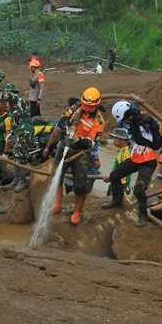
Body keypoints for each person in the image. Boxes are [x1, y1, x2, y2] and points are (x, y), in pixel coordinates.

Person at [104, 98, 162, 226]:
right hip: (136, 157)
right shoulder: (133, 121)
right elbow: (132, 110)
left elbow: (135, 111)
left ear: (129, 115)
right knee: (115, 175)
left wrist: (135, 102)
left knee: (138, 189)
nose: (124, 122)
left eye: (124, 119)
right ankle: (117, 201)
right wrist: (133, 102)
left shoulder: (143, 120)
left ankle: (143, 215)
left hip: (148, 161)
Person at [53, 87, 104, 225]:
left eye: (90, 108)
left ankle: (77, 212)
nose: (87, 110)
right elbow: (63, 119)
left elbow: (92, 143)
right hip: (65, 145)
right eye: (85, 106)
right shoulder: (74, 109)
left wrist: (78, 140)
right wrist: (70, 117)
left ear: (96, 105)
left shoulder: (98, 122)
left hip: (81, 153)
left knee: (80, 183)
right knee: (56, 174)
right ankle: (57, 203)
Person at [107, 128, 133, 197]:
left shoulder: (125, 153)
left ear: (123, 140)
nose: (114, 140)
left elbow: (122, 171)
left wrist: (109, 178)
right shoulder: (122, 151)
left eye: (116, 138)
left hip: (120, 184)